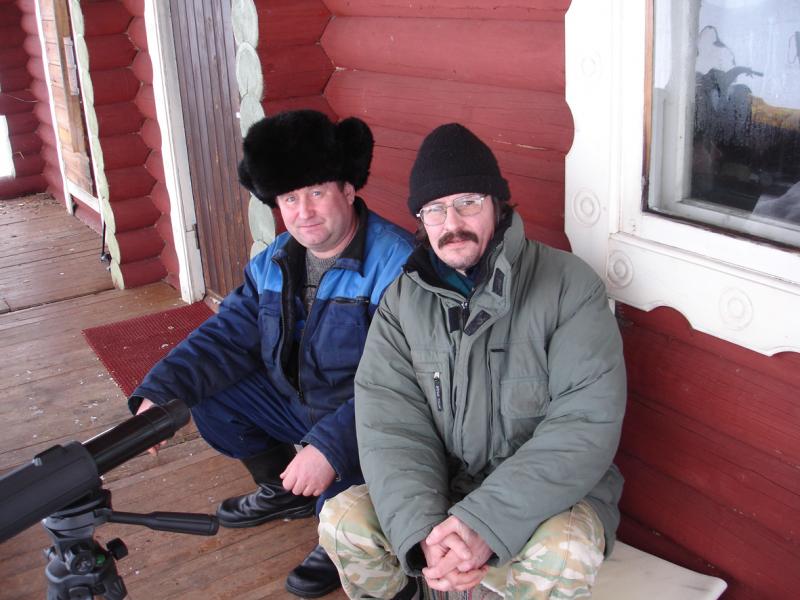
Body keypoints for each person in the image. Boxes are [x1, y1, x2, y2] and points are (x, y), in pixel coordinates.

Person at [319, 123, 627, 599]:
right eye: (435, 209)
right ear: (421, 219)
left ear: (497, 205)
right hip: (440, 489)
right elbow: (390, 424)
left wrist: (484, 523)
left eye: (468, 202)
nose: (451, 222)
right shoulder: (402, 302)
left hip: (545, 497)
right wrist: (423, 531)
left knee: (564, 553)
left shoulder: (569, 286)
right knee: (343, 521)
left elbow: (584, 424)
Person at [129, 110, 414, 598]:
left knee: (344, 503)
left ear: (348, 189)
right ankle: (286, 492)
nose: (303, 212)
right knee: (206, 392)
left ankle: (337, 527)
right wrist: (160, 392)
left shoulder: (397, 265)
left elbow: (402, 387)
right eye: (289, 198)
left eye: (316, 192)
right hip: (301, 404)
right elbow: (226, 336)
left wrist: (330, 447)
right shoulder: (275, 259)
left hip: (372, 425)